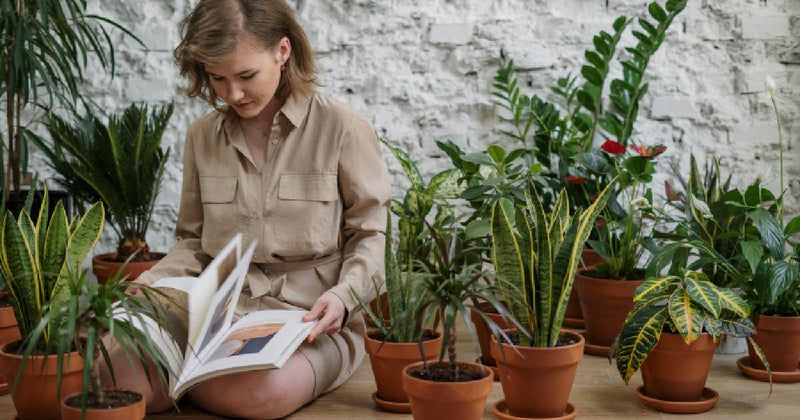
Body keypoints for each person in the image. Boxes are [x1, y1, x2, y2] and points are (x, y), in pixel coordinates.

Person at [99, 0, 391, 418]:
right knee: (115, 374)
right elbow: (193, 242)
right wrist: (148, 285)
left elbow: (370, 234)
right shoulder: (202, 136)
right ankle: (191, 376)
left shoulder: (342, 127)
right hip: (214, 312)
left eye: (245, 76)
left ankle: (180, 381)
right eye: (217, 78)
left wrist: (344, 298)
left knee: (260, 392)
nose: (231, 94)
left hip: (309, 321)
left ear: (283, 52)